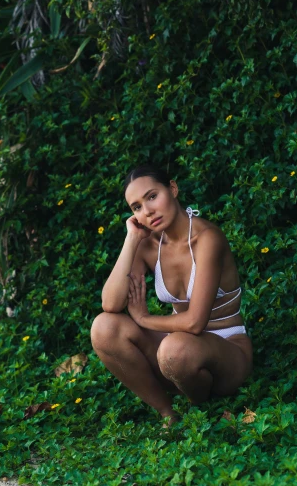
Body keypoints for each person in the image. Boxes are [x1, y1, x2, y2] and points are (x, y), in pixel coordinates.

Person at [91, 163, 253, 427]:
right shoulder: (147, 244)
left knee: (174, 349)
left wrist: (144, 319)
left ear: (173, 189)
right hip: (177, 353)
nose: (148, 211)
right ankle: (169, 413)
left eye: (152, 196)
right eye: (137, 207)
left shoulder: (206, 238)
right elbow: (111, 303)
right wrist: (131, 239)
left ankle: (201, 405)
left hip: (227, 350)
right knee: (103, 327)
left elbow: (194, 323)